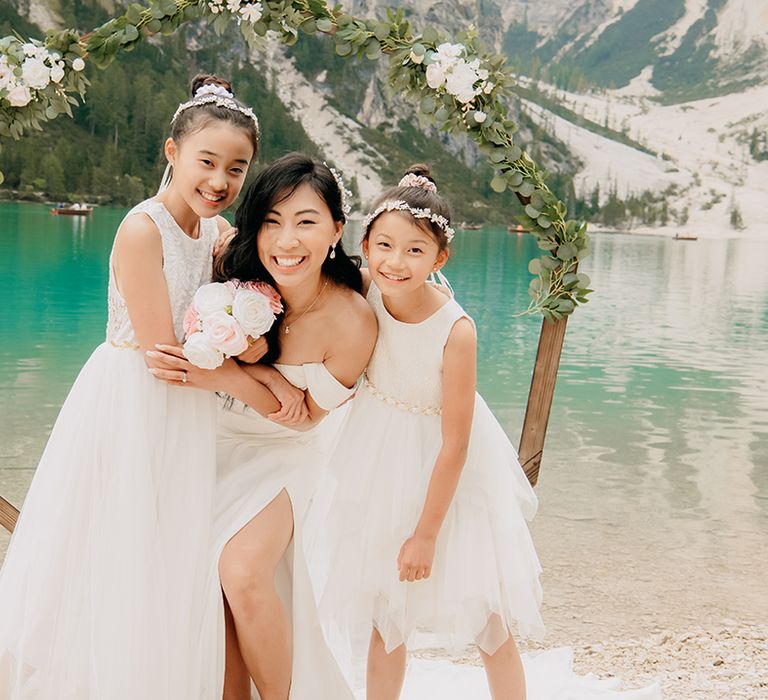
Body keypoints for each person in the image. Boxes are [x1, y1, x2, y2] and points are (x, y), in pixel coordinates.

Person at [0, 74, 269, 699]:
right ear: (172, 153)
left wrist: (251, 333)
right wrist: (249, 377)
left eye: (236, 168)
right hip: (132, 401)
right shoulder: (141, 229)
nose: (220, 181)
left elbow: (244, 308)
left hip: (191, 410)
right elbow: (163, 355)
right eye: (207, 161)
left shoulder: (219, 234)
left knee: (174, 548)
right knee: (116, 543)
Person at [305, 165, 544, 700]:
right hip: (376, 452)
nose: (395, 261)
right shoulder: (365, 289)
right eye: (384, 245)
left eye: (415, 251)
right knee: (384, 609)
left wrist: (426, 534)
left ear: (439, 259)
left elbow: (456, 444)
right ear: (364, 244)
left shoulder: (455, 330)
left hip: (447, 467)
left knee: (486, 611)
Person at [148, 152, 378, 700]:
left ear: (336, 230)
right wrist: (261, 376)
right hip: (210, 439)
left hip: (284, 454)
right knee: (200, 583)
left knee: (243, 570)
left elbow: (303, 420)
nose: (286, 241)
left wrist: (227, 374)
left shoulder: (350, 320)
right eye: (272, 222)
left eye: (306, 222)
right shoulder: (234, 268)